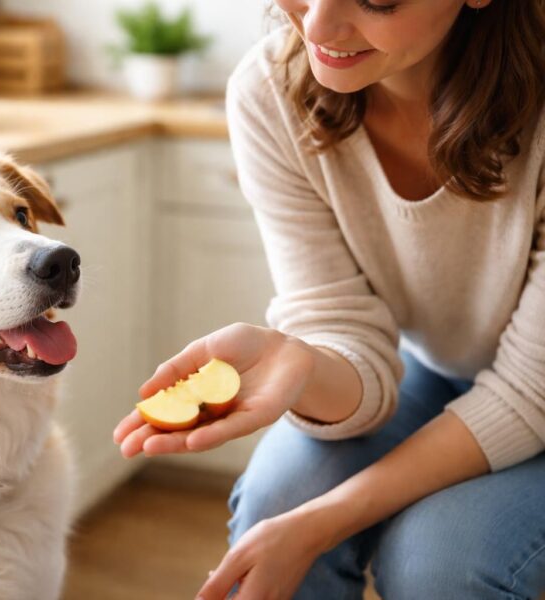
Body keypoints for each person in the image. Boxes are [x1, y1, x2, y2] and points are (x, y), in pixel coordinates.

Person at [113, 1, 545, 598]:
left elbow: (532, 391)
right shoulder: (271, 92)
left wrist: (319, 524)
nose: (315, 27)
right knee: (275, 503)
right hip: (446, 365)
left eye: (377, 0)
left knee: (439, 565)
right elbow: (346, 332)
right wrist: (303, 361)